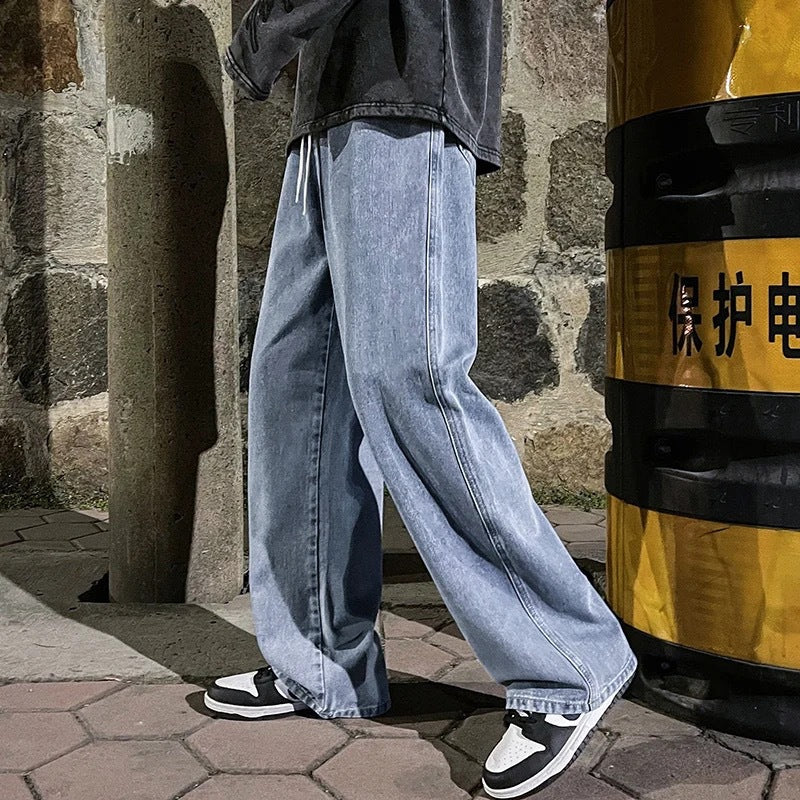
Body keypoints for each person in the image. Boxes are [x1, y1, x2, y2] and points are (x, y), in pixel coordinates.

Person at [204, 1, 637, 796]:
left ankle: (569, 660)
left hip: (406, 82)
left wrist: (262, 34)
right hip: (329, 107)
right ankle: (321, 662)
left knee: (410, 377)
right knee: (297, 387)